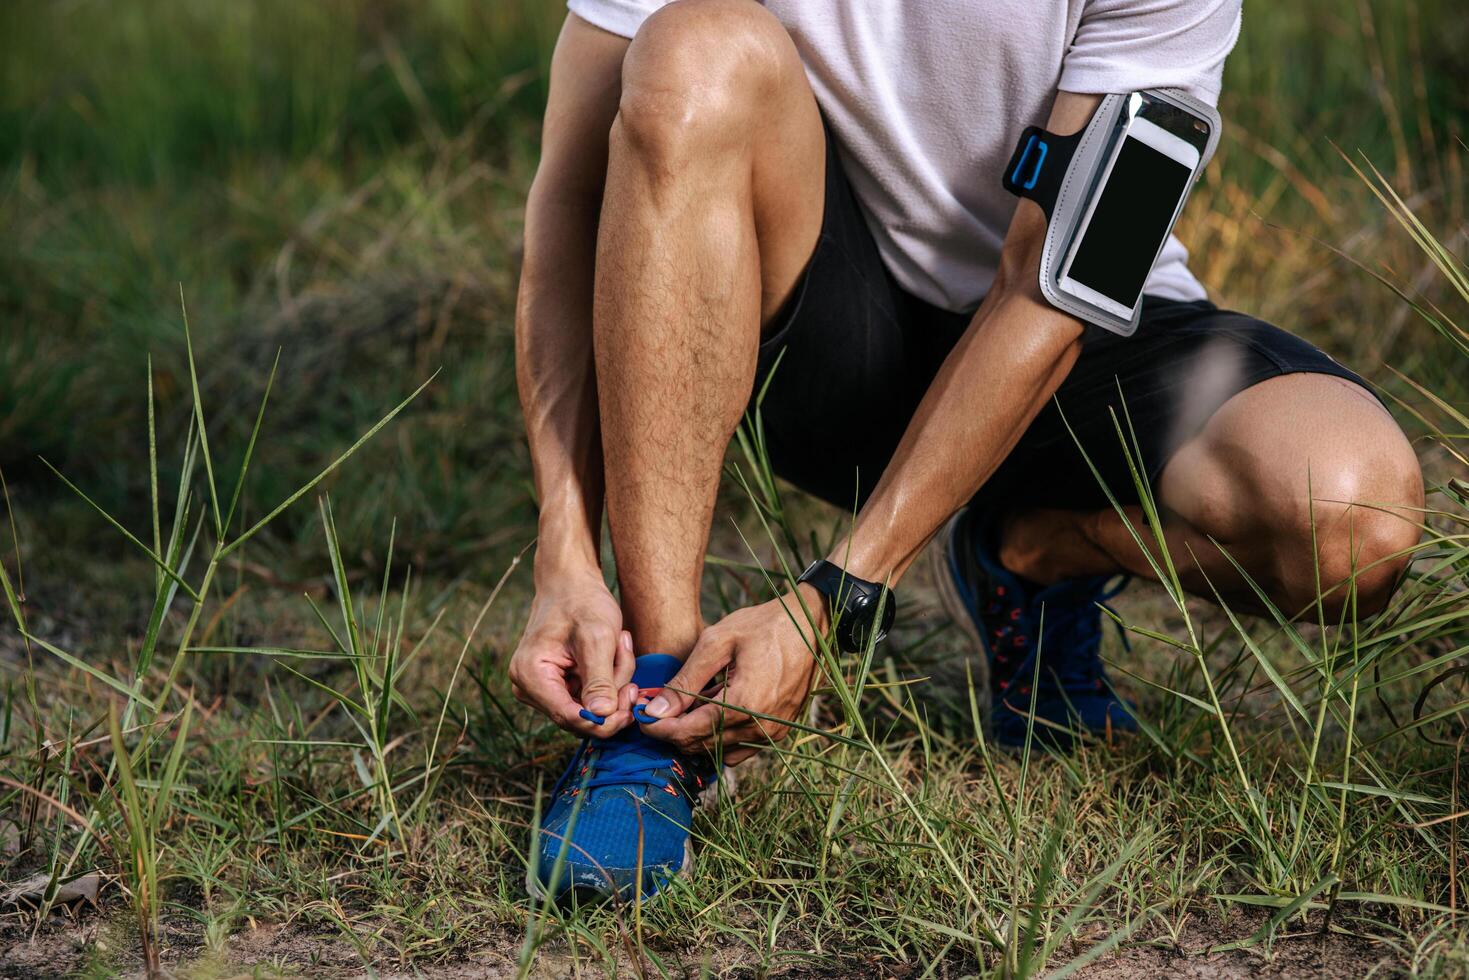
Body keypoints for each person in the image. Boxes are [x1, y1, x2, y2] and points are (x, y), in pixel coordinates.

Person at [511, 0, 1424, 902]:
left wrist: (841, 593)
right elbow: (573, 196)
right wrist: (563, 548)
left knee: (1351, 520)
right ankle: (655, 707)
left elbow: (1058, 286)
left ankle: (1025, 551)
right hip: (813, 341)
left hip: (1067, 334)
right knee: (692, 49)